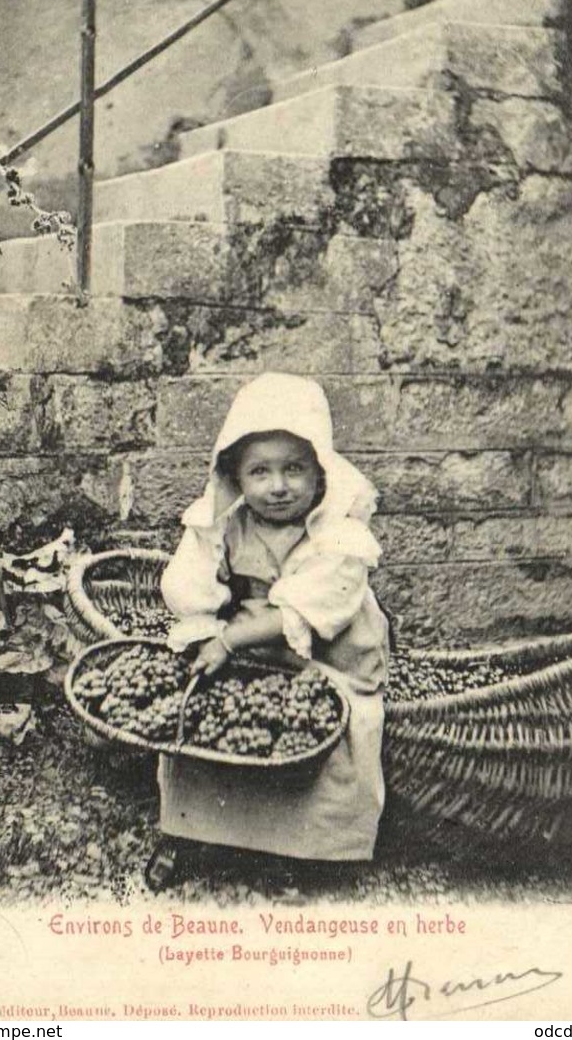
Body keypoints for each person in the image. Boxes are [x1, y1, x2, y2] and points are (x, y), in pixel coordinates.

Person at [148, 372, 389, 889]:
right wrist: (206, 628)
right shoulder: (228, 522)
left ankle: (313, 853)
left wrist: (230, 639)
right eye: (260, 471)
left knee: (333, 726)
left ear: (320, 472)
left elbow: (314, 605)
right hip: (251, 645)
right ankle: (187, 833)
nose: (278, 486)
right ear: (236, 476)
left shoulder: (339, 533)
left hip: (328, 653)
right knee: (201, 711)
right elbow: (190, 583)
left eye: (295, 469)